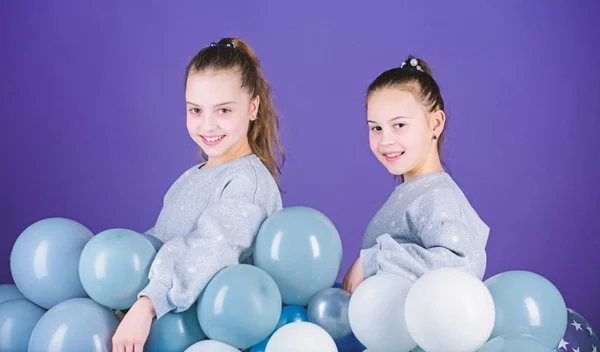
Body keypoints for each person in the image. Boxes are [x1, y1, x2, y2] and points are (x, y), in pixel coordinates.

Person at [112, 38, 285, 351]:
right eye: (195, 110)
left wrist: (147, 304)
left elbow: (211, 247)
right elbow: (162, 241)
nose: (207, 125)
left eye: (223, 110)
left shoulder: (247, 182)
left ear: (253, 107)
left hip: (200, 337)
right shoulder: (193, 176)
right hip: (159, 325)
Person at [342, 56, 490, 294]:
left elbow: (463, 266)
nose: (386, 140)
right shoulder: (413, 192)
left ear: (435, 123)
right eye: (376, 128)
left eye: (399, 125)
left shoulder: (438, 195)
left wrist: (374, 261)